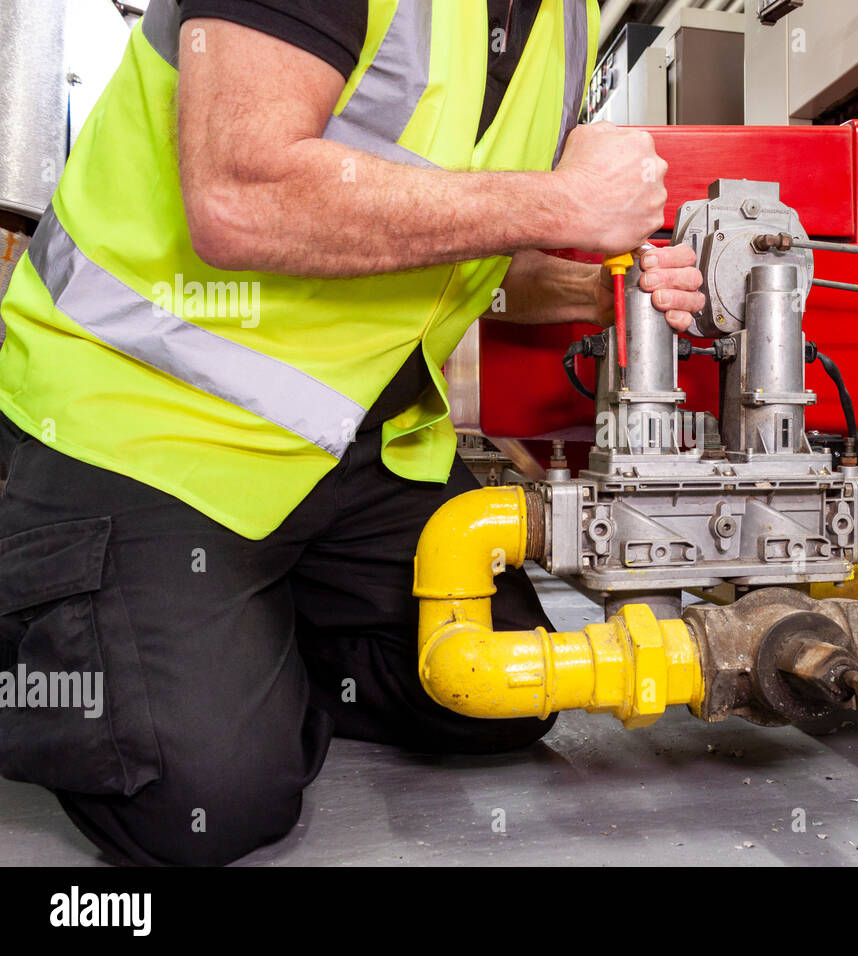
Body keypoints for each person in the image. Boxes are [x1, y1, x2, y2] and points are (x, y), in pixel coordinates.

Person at [0, 0, 705, 866]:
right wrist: (555, 199)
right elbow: (239, 195)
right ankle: (75, 632)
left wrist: (595, 290)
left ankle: (222, 635)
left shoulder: (563, 19)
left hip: (351, 442)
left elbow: (473, 248)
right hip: (145, 418)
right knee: (207, 801)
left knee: (500, 689)